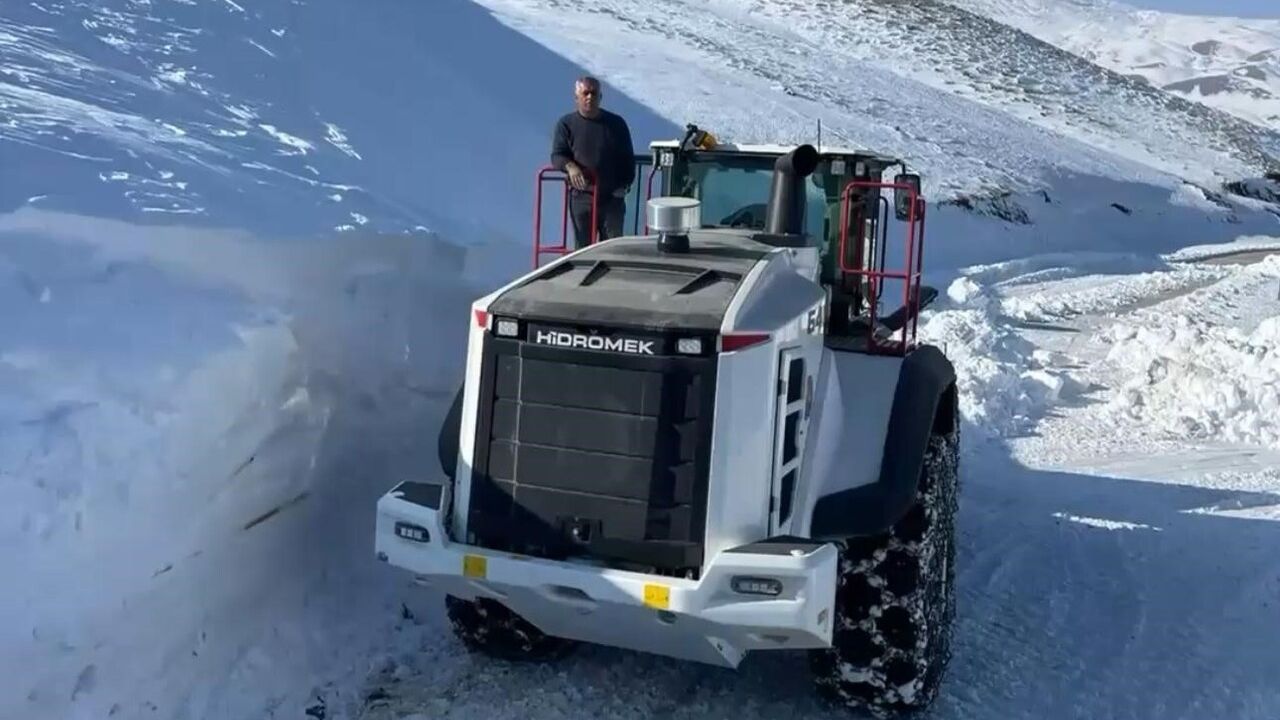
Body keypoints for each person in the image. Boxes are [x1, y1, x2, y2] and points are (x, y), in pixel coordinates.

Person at [550, 76, 635, 249]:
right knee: (583, 249)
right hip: (581, 197)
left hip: (612, 199)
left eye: (594, 93)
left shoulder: (616, 124)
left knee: (612, 248)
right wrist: (570, 166)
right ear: (577, 97)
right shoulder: (566, 124)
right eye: (585, 93)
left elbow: (627, 159)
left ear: (600, 97)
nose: (590, 97)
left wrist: (623, 186)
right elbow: (557, 155)